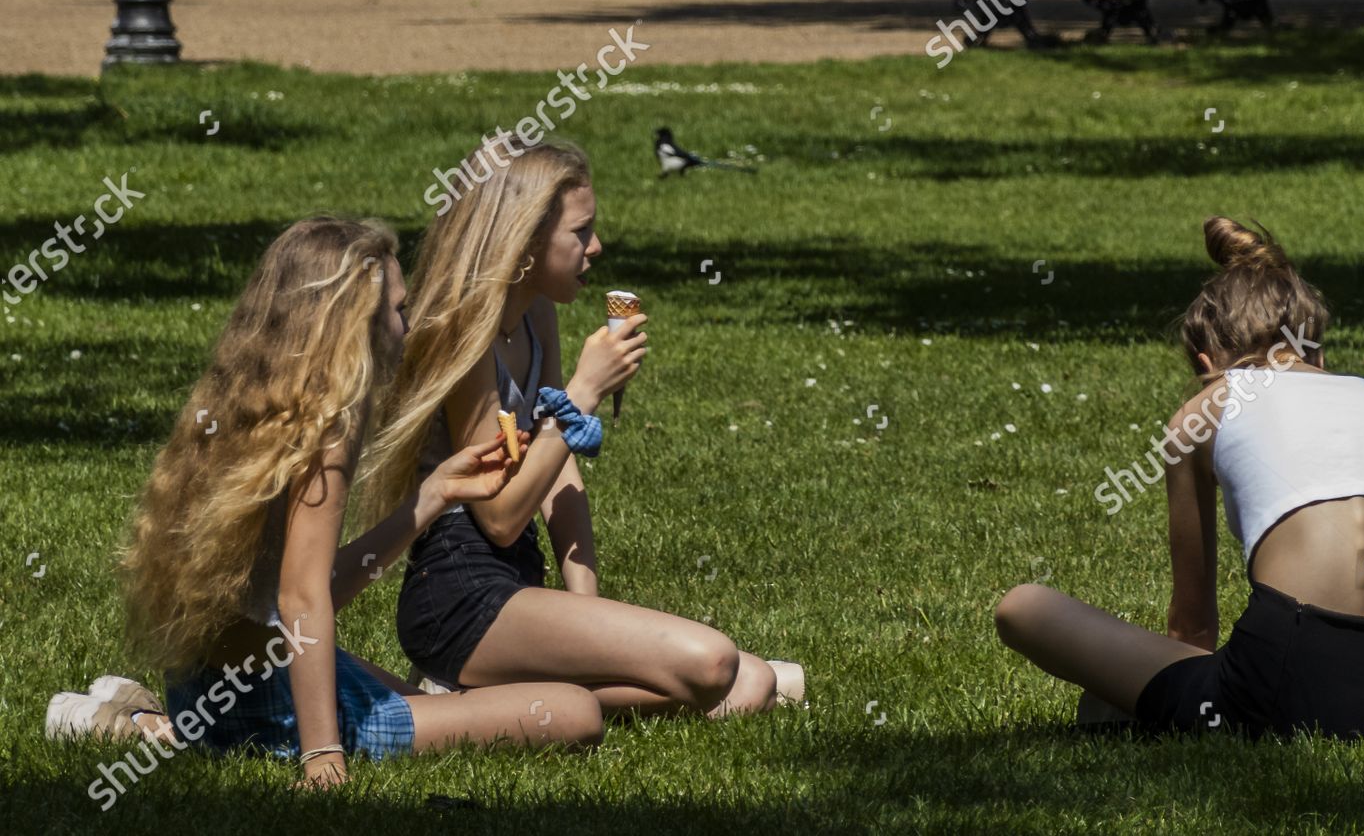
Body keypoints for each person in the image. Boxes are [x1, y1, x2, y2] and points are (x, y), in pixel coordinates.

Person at [47, 218, 603, 787]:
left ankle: (158, 719)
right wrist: (322, 757)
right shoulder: (330, 426)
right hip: (263, 693)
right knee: (574, 712)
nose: (408, 328)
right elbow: (303, 597)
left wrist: (434, 495)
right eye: (398, 309)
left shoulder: (255, 393)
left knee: (430, 701)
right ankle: (153, 728)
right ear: (352, 324)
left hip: (216, 674)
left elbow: (302, 587)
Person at [993, 216, 1364, 738]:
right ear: (1316, 351)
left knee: (1020, 608)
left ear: (1209, 362)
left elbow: (1192, 627)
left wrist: (1168, 689)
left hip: (1286, 683)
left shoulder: (1205, 410)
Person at [360, 141, 803, 716]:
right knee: (717, 663)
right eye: (580, 232)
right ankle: (464, 686)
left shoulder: (535, 314)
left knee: (758, 684)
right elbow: (497, 518)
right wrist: (582, 394)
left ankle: (493, 694)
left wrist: (585, 610)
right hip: (460, 597)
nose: (596, 247)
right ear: (523, 243)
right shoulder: (461, 335)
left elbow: (557, 465)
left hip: (519, 584)